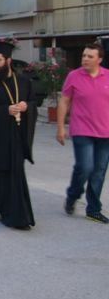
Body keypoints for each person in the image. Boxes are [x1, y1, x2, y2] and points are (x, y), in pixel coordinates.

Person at [0, 40, 36, 230]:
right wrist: (6, 110)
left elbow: (33, 103)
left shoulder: (24, 82)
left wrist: (27, 106)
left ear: (8, 61)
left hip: (18, 137)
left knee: (15, 174)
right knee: (3, 176)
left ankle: (16, 216)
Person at [57, 42, 109, 224]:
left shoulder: (108, 77)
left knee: (99, 171)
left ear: (99, 60)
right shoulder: (74, 76)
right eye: (84, 56)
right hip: (82, 130)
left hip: (105, 133)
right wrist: (61, 127)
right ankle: (73, 195)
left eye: (90, 56)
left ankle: (93, 209)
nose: (85, 59)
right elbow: (64, 101)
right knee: (85, 167)